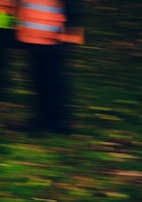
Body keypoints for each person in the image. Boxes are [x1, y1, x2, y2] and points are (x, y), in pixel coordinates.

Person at [16, 0, 83, 134]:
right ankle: (44, 120)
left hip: (52, 36)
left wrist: (69, 34)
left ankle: (56, 122)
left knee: (52, 81)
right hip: (35, 35)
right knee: (40, 79)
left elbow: (74, 7)